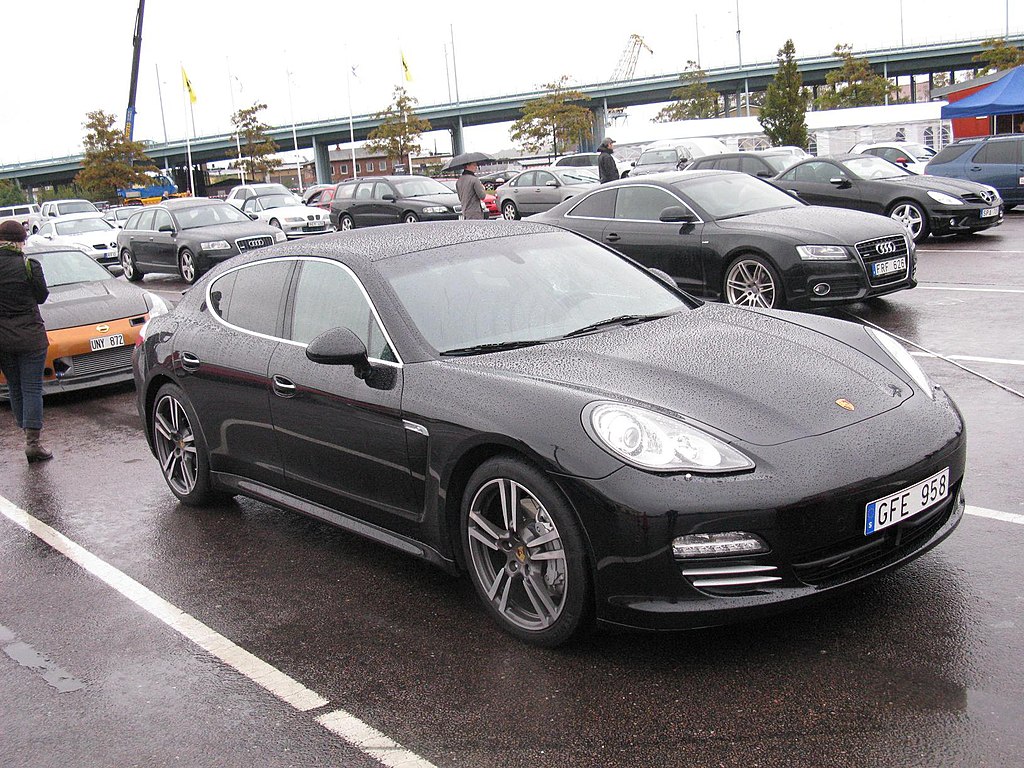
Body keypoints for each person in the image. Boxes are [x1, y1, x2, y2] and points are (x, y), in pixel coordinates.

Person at [0, 219, 52, 463]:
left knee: (14, 386)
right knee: (32, 388)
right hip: (31, 336)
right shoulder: (29, 265)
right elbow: (42, 296)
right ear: (20, 241)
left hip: (2, 339)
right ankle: (33, 442)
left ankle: (25, 432)